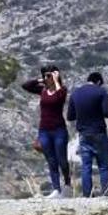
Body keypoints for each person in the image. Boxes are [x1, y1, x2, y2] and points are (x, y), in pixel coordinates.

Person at [21, 65, 72, 199]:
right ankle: (56, 188)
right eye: (46, 75)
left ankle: (67, 183)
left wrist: (55, 80)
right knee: (51, 160)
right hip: (44, 130)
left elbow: (60, 96)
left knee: (62, 159)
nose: (47, 77)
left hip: (59, 130)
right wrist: (40, 79)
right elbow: (25, 86)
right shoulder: (42, 91)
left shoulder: (62, 90)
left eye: (50, 75)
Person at [67, 71, 108, 197]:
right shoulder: (101, 92)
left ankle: (87, 195)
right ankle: (106, 194)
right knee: (103, 166)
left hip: (83, 134)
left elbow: (70, 116)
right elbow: (107, 113)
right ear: (98, 82)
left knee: (86, 166)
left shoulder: (75, 93)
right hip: (99, 132)